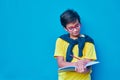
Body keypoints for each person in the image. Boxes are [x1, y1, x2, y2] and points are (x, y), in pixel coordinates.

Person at [54, 9, 97, 80]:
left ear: (80, 23)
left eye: (77, 26)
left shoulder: (88, 41)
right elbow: (60, 63)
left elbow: (88, 68)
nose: (75, 30)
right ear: (65, 28)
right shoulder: (60, 41)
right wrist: (77, 64)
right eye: (71, 28)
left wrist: (83, 69)